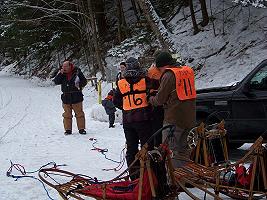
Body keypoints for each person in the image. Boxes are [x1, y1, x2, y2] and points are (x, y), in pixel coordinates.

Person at [148, 51, 196, 168]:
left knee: (171, 151)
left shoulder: (169, 75)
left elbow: (160, 99)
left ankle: (175, 182)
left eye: (159, 69)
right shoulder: (187, 71)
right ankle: (185, 177)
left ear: (163, 65)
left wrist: (150, 98)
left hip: (173, 119)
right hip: (190, 117)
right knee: (184, 150)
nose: (160, 72)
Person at [113, 57, 154, 180]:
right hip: (143, 119)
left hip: (128, 121)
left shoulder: (121, 83)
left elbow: (116, 101)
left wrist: (126, 108)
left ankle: (135, 177)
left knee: (131, 149)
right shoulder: (145, 80)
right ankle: (148, 175)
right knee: (147, 147)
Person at [53, 60, 87, 135]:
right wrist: (60, 74)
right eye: (63, 66)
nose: (64, 68)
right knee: (67, 114)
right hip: (66, 96)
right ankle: (68, 129)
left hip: (76, 95)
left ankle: (81, 129)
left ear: (70, 66)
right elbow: (56, 82)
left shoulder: (77, 72)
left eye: (65, 66)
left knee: (79, 113)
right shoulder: (62, 73)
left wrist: (79, 85)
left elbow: (84, 81)